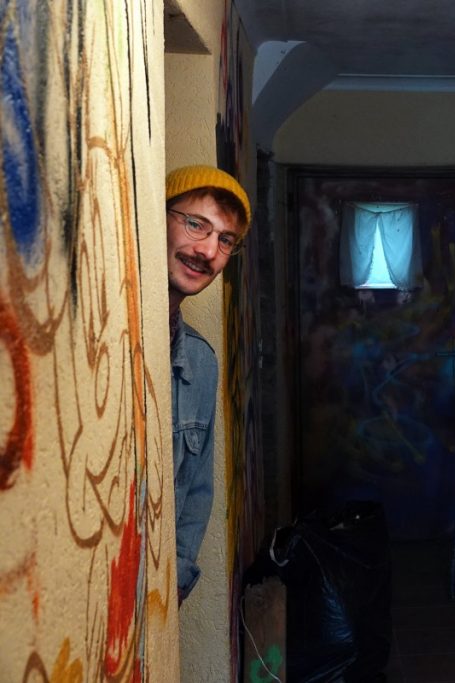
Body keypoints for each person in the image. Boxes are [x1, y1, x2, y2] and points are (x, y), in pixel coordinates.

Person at [166, 165, 251, 604]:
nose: (208, 252)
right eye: (196, 224)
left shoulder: (200, 361)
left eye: (225, 240)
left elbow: (197, 489)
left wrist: (175, 582)